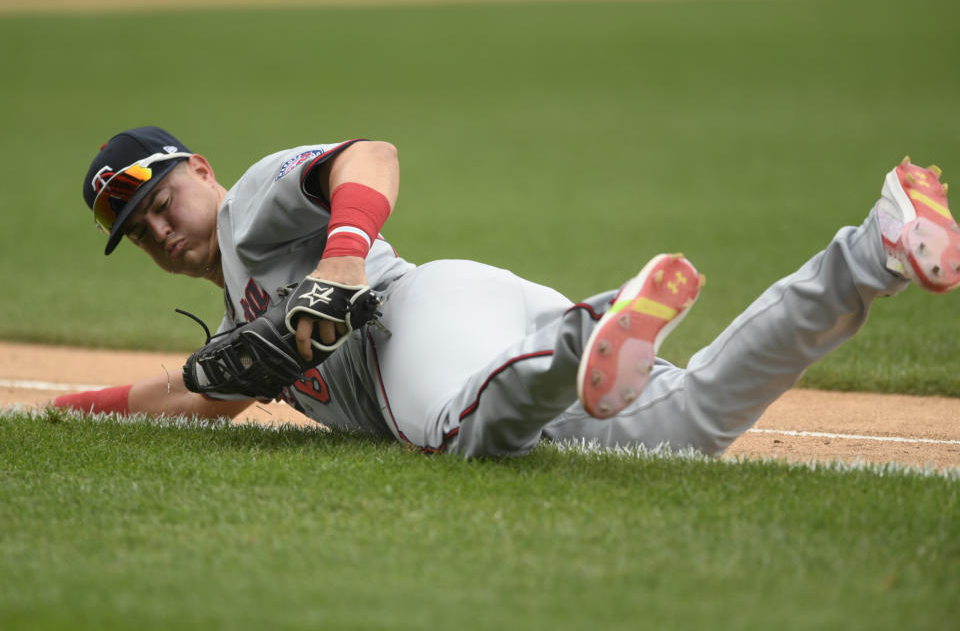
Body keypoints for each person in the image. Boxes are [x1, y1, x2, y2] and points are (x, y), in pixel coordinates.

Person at [55, 126, 960, 458]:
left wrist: (341, 258)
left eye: (161, 199)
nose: (161, 229)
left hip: (422, 321)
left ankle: (590, 329)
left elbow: (371, 155)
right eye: (137, 231)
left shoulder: (253, 202)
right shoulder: (239, 327)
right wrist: (58, 410)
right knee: (693, 430)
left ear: (199, 170)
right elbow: (185, 394)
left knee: (459, 431)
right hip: (490, 321)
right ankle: (874, 249)